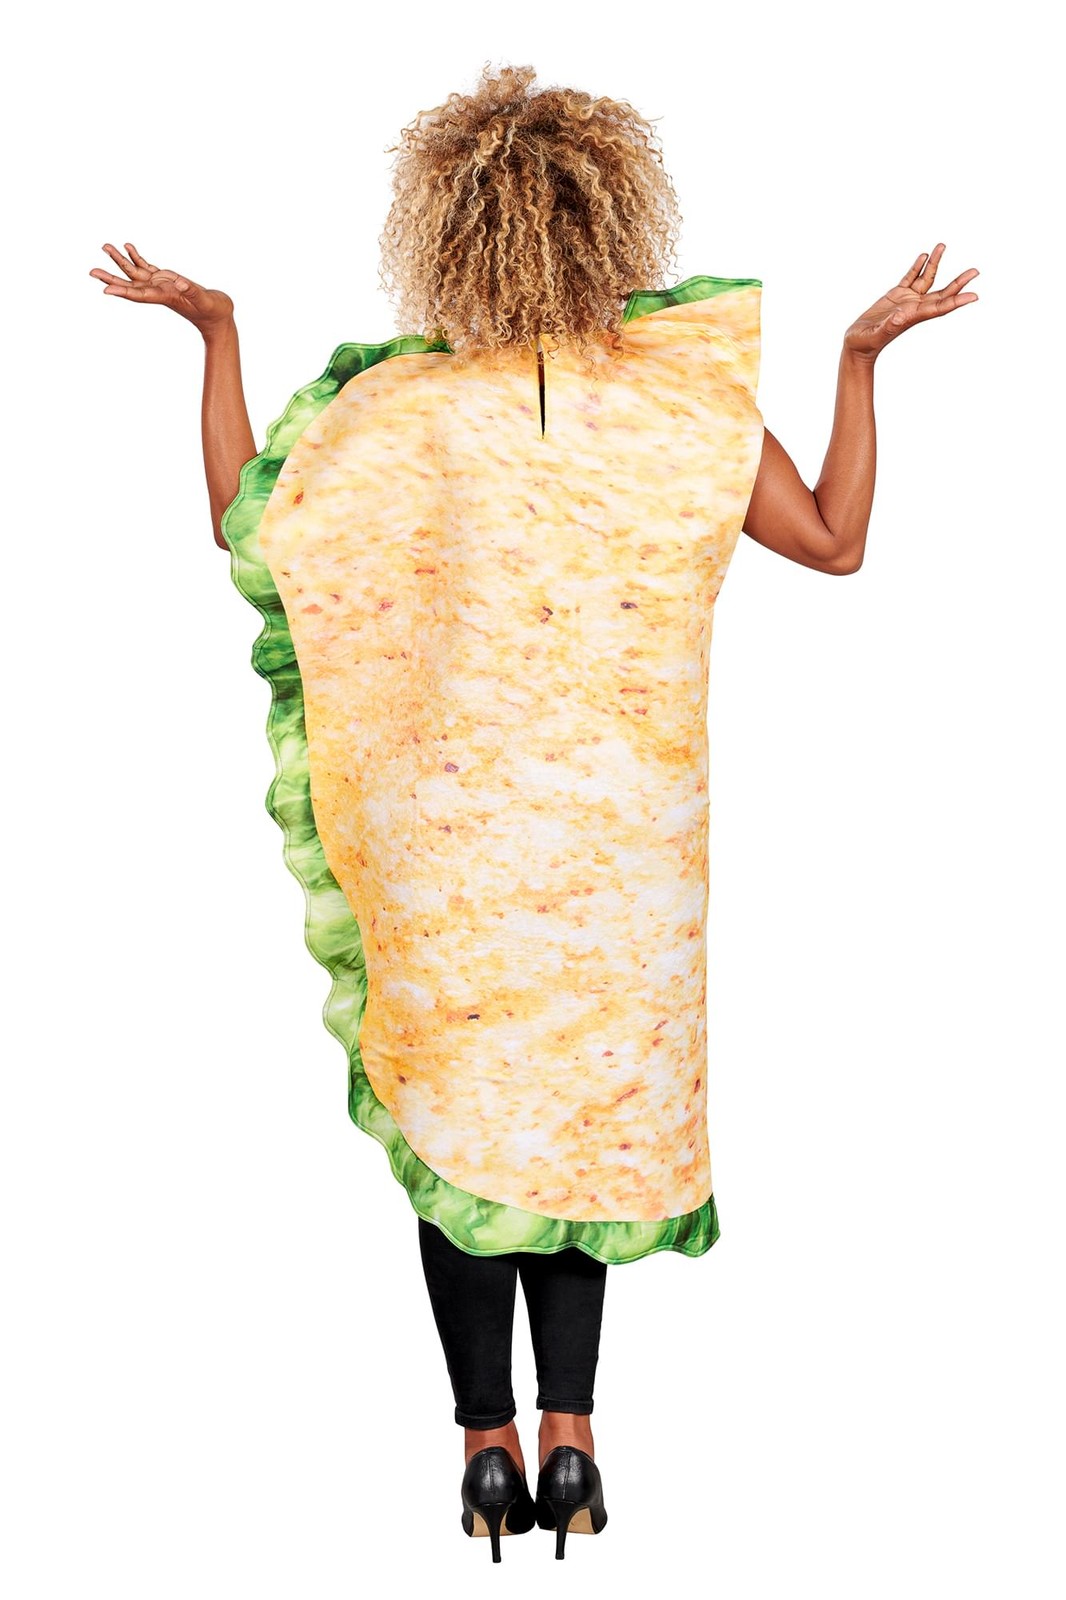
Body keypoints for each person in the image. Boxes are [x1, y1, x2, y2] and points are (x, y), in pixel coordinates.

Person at [89, 61, 978, 1563]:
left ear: (446, 233)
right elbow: (834, 542)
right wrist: (857, 360)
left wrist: (217, 331)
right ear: (616, 224)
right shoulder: (683, 405)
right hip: (632, 856)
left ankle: (483, 1449)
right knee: (588, 1127)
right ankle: (575, 1443)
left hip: (454, 855)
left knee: (470, 1123)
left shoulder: (408, 410)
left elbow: (255, 523)